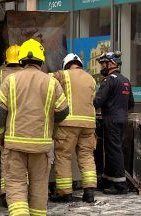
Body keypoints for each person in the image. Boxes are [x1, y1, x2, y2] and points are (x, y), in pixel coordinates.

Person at [0, 38, 69, 216]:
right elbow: (63, 111)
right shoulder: (51, 83)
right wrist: (49, 119)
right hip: (40, 147)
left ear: (21, 59)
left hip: (14, 146)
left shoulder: (10, 81)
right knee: (39, 189)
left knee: (16, 186)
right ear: (41, 60)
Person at [50, 53, 97, 203]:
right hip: (89, 125)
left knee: (63, 156)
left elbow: (43, 80)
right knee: (86, 156)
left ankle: (64, 193)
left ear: (66, 65)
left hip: (68, 123)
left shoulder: (63, 75)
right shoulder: (91, 78)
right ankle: (89, 192)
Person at [94, 51, 134, 195]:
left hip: (111, 119)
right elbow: (131, 103)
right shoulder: (125, 80)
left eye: (103, 63)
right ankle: (108, 179)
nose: (102, 67)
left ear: (111, 64)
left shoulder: (109, 80)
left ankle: (120, 185)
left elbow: (97, 101)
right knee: (112, 150)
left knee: (113, 151)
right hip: (122, 119)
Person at [0, 44, 23, 207]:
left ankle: (6, 193)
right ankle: (22, 192)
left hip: (8, 122)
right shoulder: (28, 75)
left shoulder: (1, 73)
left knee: (7, 159)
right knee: (24, 161)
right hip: (26, 122)